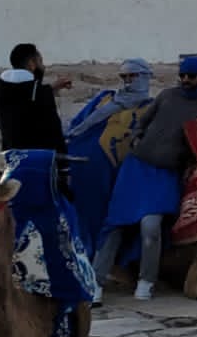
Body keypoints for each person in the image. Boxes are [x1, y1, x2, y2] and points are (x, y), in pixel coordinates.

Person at [92, 56, 197, 301]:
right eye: (182, 75)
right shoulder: (167, 96)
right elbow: (143, 122)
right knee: (115, 224)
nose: (185, 80)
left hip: (165, 174)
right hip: (136, 169)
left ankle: (146, 281)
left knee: (150, 227)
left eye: (192, 76)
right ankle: (95, 283)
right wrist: (137, 138)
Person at [64, 59, 156, 255]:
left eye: (133, 75)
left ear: (145, 76)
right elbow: (79, 122)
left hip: (114, 173)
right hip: (80, 166)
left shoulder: (150, 108)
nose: (128, 80)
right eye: (124, 76)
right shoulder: (105, 98)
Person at [0, 43, 71, 153]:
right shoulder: (38, 93)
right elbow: (54, 132)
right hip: (37, 156)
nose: (43, 67)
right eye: (40, 62)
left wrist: (51, 89)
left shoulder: (0, 87)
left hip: (10, 154)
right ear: (31, 64)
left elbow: (24, 97)